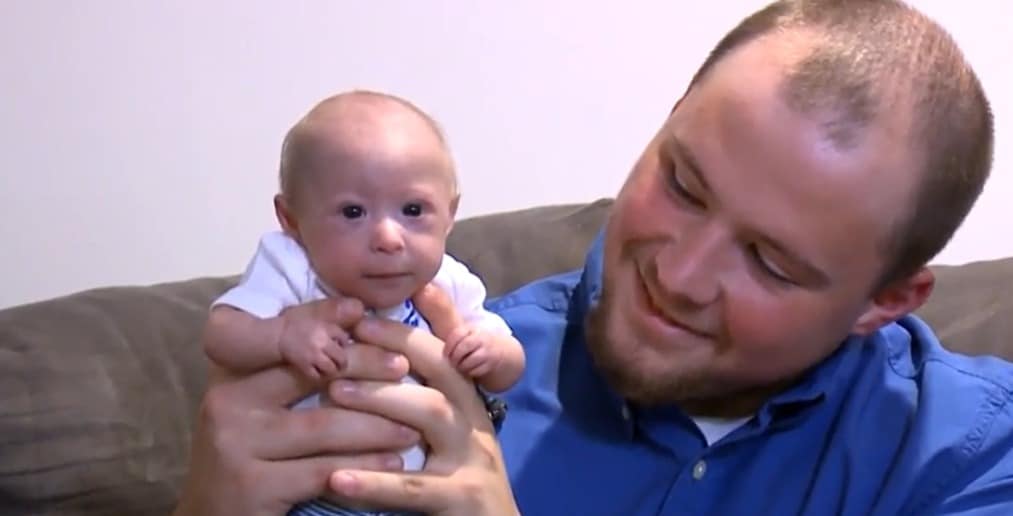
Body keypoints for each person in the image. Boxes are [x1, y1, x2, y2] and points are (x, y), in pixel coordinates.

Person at [174, 1, 1013, 515]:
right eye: (682, 185)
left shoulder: (974, 460)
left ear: (884, 301)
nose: (677, 277)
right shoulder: (451, 364)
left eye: (771, 262)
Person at [199, 90, 525, 516]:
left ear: (450, 214)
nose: (388, 238)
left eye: (413, 209)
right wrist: (280, 335)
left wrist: (490, 353)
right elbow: (222, 332)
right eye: (353, 212)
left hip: (429, 491)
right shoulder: (292, 267)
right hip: (316, 497)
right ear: (292, 221)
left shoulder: (448, 280)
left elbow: (509, 366)